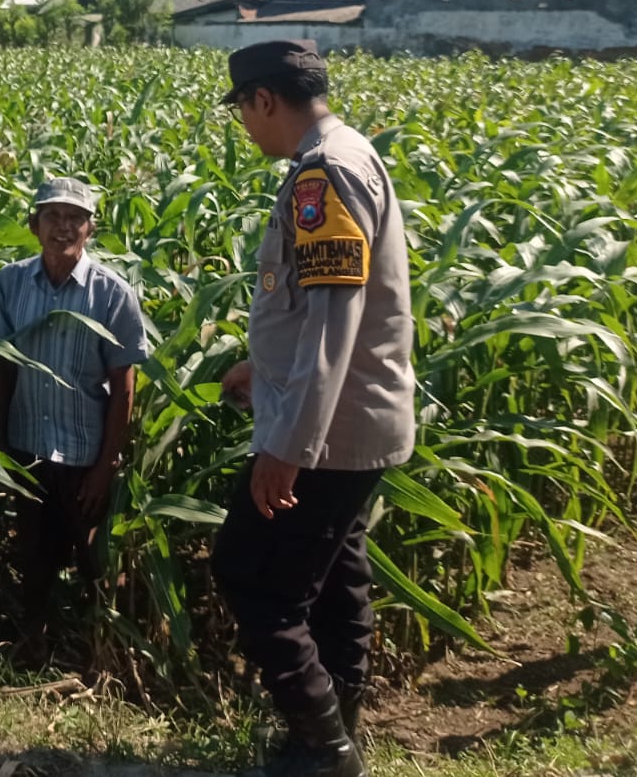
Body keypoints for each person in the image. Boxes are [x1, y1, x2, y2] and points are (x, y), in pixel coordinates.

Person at [210, 40, 416, 777]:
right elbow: (322, 305)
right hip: (360, 420)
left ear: (265, 100)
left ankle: (322, 747)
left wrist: (289, 445)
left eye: (242, 109)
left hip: (329, 433)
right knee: (337, 581)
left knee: (250, 575)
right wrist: (260, 364)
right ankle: (339, 732)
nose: (244, 125)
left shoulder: (321, 174)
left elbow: (336, 316)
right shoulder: (350, 148)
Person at [0, 176, 147, 666]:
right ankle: (34, 648)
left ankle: (99, 659)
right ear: (34, 225)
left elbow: (124, 386)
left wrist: (106, 466)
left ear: (90, 229)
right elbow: (3, 363)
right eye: (52, 216)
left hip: (84, 452)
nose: (64, 226)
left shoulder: (112, 294)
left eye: (75, 217)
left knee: (92, 562)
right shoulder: (13, 281)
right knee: (33, 557)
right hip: (28, 444)